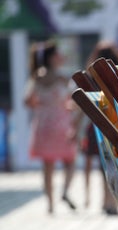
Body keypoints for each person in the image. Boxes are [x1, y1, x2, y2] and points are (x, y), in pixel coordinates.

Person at [24, 40, 80, 214]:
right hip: (62, 125)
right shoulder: (62, 78)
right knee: (70, 161)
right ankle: (64, 191)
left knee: (47, 166)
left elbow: (27, 100)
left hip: (43, 125)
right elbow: (74, 100)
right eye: (58, 54)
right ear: (52, 57)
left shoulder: (37, 77)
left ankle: (50, 204)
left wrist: (42, 105)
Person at [83, 40, 118, 215]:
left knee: (103, 165)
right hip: (117, 123)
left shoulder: (91, 76)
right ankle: (112, 202)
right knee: (115, 163)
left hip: (97, 123)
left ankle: (105, 201)